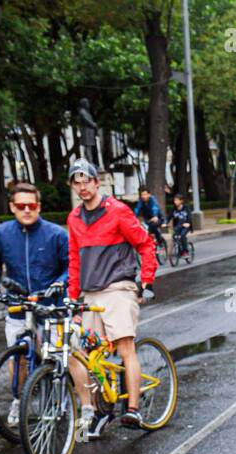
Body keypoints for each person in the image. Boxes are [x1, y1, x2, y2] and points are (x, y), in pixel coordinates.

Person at [65, 158, 158, 438]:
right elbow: (73, 261)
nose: (82, 187)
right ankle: (100, 410)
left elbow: (145, 243)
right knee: (88, 357)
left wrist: (147, 281)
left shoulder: (118, 211)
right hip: (90, 293)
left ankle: (132, 408)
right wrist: (73, 300)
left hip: (118, 288)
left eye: (87, 181)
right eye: (76, 182)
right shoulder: (74, 218)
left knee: (124, 347)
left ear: (97, 182)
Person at [0, 181, 69, 427]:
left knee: (54, 357)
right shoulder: (0, 234)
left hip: (51, 307)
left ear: (39, 206)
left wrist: (61, 283)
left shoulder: (56, 234)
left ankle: (58, 399)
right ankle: (19, 399)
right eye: (21, 206)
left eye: (32, 205)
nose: (27, 210)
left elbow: (70, 265)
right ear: (12, 207)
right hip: (18, 308)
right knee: (19, 358)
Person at [133, 187, 165, 252]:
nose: (143, 196)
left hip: (157, 218)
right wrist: (133, 217)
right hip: (147, 219)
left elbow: (155, 207)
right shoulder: (141, 201)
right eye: (142, 195)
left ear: (149, 194)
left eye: (145, 194)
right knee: (142, 228)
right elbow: (137, 209)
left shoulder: (152, 199)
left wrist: (155, 216)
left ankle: (160, 243)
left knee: (153, 226)